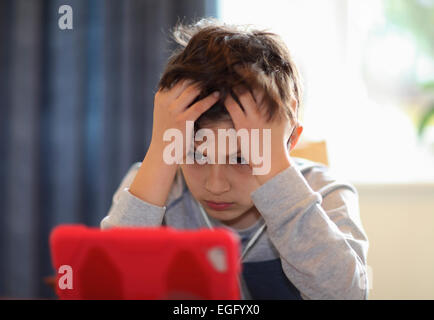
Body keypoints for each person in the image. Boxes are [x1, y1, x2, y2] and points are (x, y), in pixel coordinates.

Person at [100, 18, 369, 300]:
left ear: (289, 141)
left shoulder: (324, 194)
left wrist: (277, 173)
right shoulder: (153, 188)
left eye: (242, 158)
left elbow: (347, 295)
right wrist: (159, 152)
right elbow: (105, 289)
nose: (216, 186)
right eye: (195, 155)